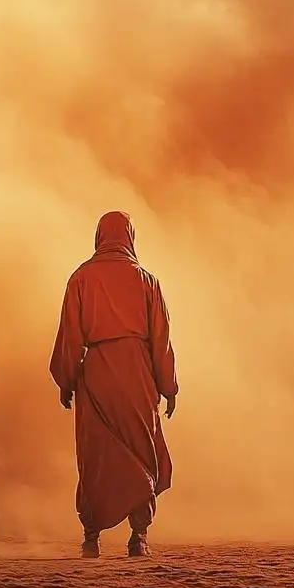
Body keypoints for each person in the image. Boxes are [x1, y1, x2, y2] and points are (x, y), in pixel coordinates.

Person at [48, 212, 179, 558]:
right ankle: (139, 536)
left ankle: (91, 536)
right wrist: (169, 386)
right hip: (137, 374)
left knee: (96, 455)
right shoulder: (147, 281)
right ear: (130, 237)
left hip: (97, 375)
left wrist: (67, 379)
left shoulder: (81, 278)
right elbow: (160, 338)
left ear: (99, 236)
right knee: (142, 449)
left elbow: (71, 334)